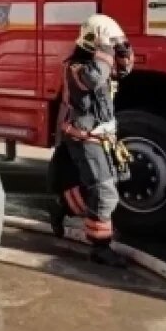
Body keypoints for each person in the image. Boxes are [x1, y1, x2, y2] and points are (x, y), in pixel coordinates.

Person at [53, 14, 134, 268]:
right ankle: (100, 248)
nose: (113, 50)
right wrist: (105, 50)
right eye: (109, 44)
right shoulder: (77, 67)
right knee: (105, 191)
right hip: (84, 137)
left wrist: (121, 51)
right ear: (95, 42)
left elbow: (123, 70)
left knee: (103, 184)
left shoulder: (101, 64)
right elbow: (95, 78)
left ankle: (62, 206)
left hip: (103, 136)